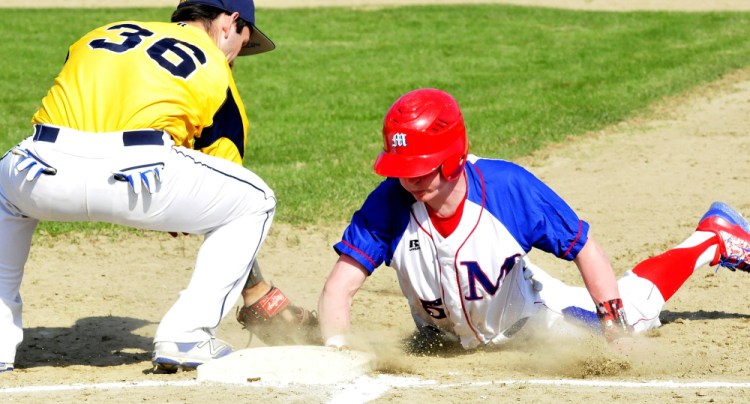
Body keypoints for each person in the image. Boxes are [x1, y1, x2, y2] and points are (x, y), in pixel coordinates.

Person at [0, 0, 317, 374]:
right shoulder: (213, 64)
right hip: (137, 178)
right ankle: (187, 335)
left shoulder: (101, 33)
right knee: (255, 201)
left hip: (37, 166)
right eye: (243, 45)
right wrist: (253, 289)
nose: (235, 59)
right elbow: (223, 183)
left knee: (5, 195)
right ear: (230, 23)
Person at [317, 87, 750, 351]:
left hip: (530, 320)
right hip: (445, 336)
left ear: (452, 158)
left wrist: (613, 328)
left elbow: (585, 248)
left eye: (421, 168)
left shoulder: (508, 189)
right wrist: (336, 347)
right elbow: (340, 287)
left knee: (636, 314)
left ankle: (712, 238)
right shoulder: (388, 203)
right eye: (401, 168)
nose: (409, 180)